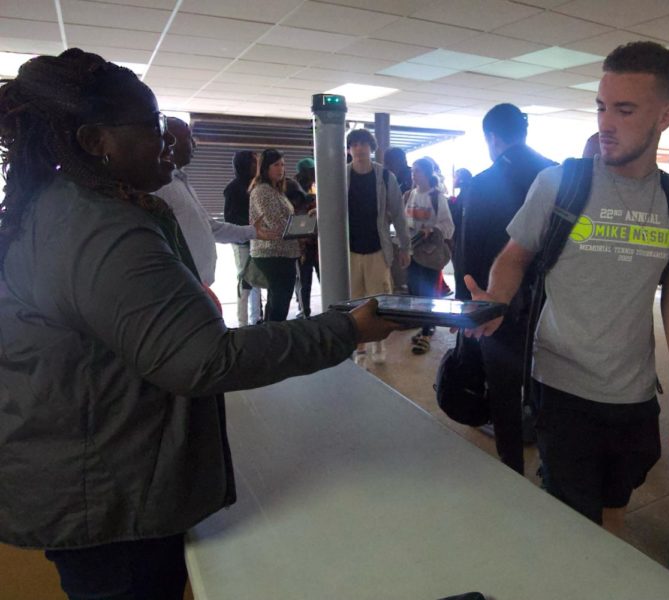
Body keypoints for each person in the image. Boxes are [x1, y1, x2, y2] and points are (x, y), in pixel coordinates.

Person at [0, 49, 398, 600]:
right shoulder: (100, 228)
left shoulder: (63, 208)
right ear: (96, 142)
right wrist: (346, 330)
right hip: (108, 493)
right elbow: (204, 359)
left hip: (92, 467)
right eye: (153, 125)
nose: (169, 139)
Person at [465, 43, 669, 529]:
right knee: (571, 516)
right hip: (562, 384)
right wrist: (496, 300)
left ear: (665, 116)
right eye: (601, 106)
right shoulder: (560, 184)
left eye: (624, 109)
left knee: (613, 507)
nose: (606, 123)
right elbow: (514, 257)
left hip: (635, 393)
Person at [456, 103, 555, 474]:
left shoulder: (482, 184)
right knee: (550, 386)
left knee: (503, 391)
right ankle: (551, 466)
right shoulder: (557, 175)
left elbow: (468, 253)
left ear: (493, 138)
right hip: (552, 306)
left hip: (498, 306)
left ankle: (512, 465)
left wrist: (469, 308)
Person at [156, 118, 277, 296]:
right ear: (170, 141)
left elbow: (211, 228)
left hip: (196, 287)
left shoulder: (181, 184)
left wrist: (252, 231)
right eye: (189, 138)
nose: (194, 144)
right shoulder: (160, 186)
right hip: (179, 290)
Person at [346, 128, 411, 363]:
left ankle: (379, 346)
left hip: (377, 250)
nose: (359, 148)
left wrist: (405, 247)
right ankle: (358, 346)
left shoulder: (385, 177)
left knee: (379, 301)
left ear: (372, 148)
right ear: (349, 149)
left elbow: (398, 215)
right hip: (349, 251)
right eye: (354, 144)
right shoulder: (342, 176)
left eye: (364, 144)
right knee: (353, 301)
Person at [405, 157, 455, 354]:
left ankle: (426, 333)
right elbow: (405, 219)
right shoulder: (411, 194)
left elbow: (448, 226)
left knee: (428, 295)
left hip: (430, 253)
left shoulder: (437, 197)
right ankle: (425, 327)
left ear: (426, 173)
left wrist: (432, 230)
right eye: (413, 171)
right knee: (415, 293)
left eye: (417, 170)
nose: (413, 174)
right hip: (413, 251)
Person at [249, 148, 301, 322]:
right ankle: (274, 337)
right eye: (276, 165)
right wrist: (301, 230)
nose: (281, 169)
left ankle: (272, 337)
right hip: (272, 252)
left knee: (277, 301)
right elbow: (277, 224)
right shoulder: (262, 190)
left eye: (283, 165)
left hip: (283, 252)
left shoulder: (275, 190)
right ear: (265, 167)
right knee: (279, 301)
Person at [224, 150, 263, 326]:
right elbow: (229, 218)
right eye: (254, 163)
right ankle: (242, 322)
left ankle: (257, 318)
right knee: (244, 281)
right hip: (242, 243)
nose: (257, 166)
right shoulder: (233, 189)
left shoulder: (257, 186)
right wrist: (249, 228)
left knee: (257, 280)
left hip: (258, 240)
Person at [294, 157, 319, 318]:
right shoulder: (318, 185)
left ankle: (305, 312)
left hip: (302, 240)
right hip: (317, 241)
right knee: (319, 276)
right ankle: (329, 306)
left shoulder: (291, 187)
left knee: (304, 281)